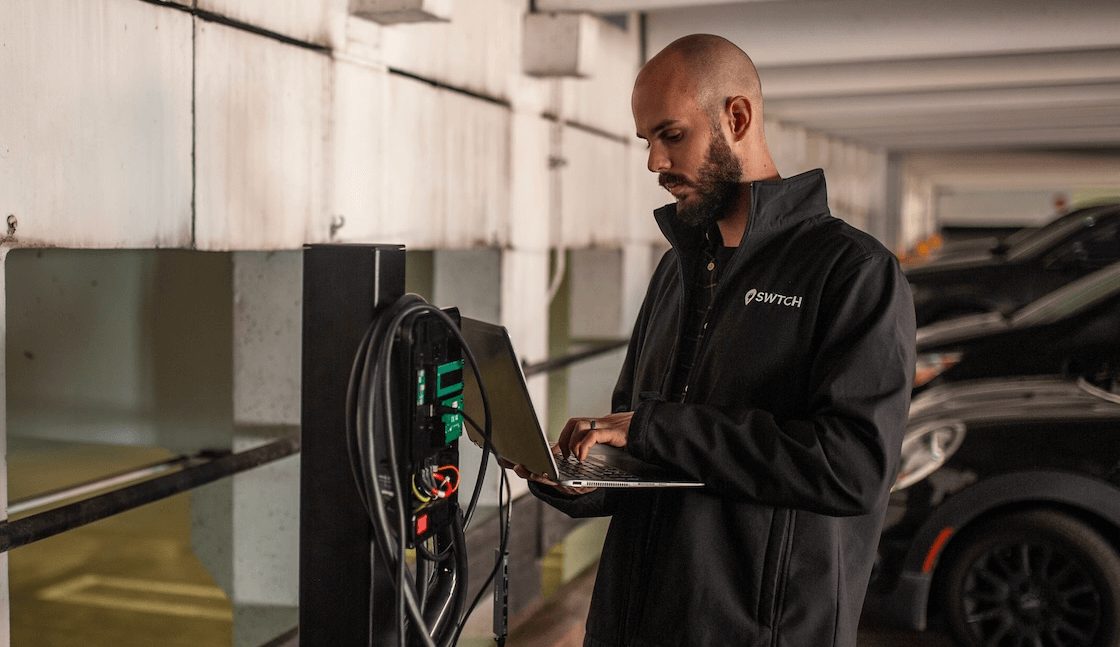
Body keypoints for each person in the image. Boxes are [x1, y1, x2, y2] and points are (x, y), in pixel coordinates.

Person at [510, 34, 916, 647]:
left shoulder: (852, 272)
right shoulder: (676, 273)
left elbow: (852, 468)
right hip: (633, 623)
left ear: (738, 117)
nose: (654, 163)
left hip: (755, 631)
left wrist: (655, 428)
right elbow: (649, 453)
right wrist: (584, 476)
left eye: (671, 135)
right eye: (647, 141)